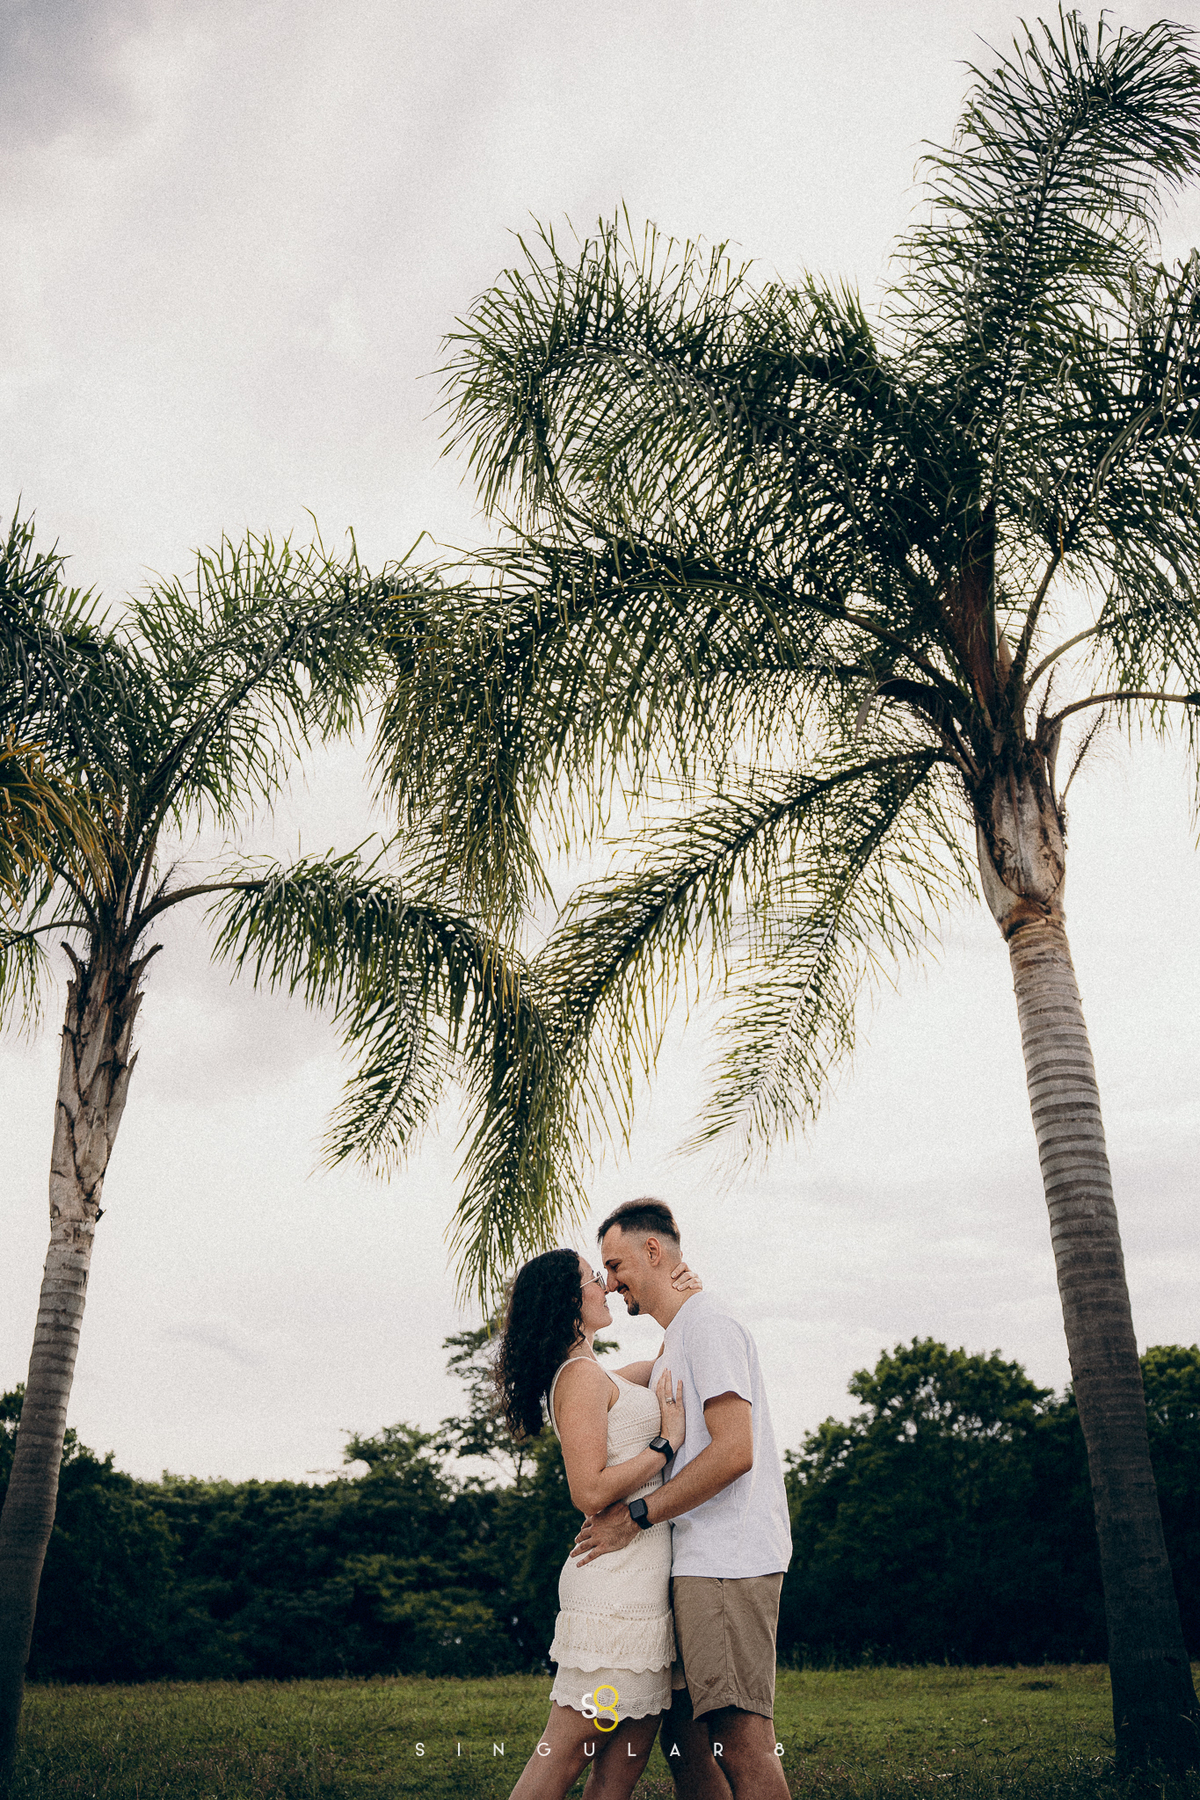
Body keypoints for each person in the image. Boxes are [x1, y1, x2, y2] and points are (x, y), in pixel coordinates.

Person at [572, 1199, 792, 1800]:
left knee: (740, 1737)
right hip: (696, 1563)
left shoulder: (709, 1326)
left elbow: (733, 1452)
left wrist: (635, 1517)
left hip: (727, 1561)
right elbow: (601, 1384)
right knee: (686, 1741)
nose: (611, 1284)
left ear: (653, 1252)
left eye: (615, 1266)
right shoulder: (682, 1336)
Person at [495, 1244, 700, 1800]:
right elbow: (587, 1491)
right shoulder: (580, 1378)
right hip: (612, 1592)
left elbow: (663, 1363)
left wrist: (685, 1296)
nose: (605, 1285)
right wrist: (665, 1445)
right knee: (562, 1756)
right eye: (594, 1276)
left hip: (640, 1589)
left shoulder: (596, 1374)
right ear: (569, 1298)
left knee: (618, 1776)